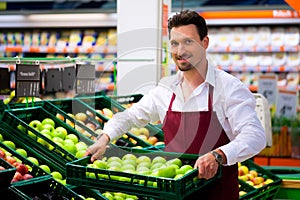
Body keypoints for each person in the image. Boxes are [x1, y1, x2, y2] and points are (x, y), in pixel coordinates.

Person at [85, 10, 266, 199]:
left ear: (205, 43)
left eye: (188, 42)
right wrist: (104, 138)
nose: (180, 51)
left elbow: (254, 135)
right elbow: (130, 116)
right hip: (174, 195)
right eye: (174, 43)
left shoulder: (229, 88)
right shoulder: (165, 90)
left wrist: (218, 155)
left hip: (216, 194)